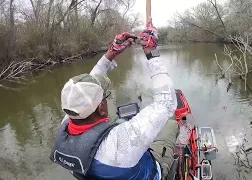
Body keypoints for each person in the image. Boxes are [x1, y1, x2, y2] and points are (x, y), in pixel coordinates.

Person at [50, 20, 179, 180]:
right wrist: (152, 53)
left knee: (121, 123)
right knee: (172, 124)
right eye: (105, 96)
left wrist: (112, 53)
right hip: (151, 173)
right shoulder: (120, 142)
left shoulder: (65, 130)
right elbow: (166, 102)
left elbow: (87, 85)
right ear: (101, 108)